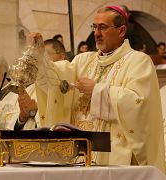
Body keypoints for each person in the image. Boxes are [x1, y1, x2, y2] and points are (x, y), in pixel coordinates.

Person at [35, 6, 165, 172]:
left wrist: (96, 90)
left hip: (113, 158)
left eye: (102, 27)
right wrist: (39, 58)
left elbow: (138, 105)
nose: (96, 33)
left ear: (121, 30)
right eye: (94, 27)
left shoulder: (138, 62)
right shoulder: (83, 60)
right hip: (78, 156)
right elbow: (56, 82)